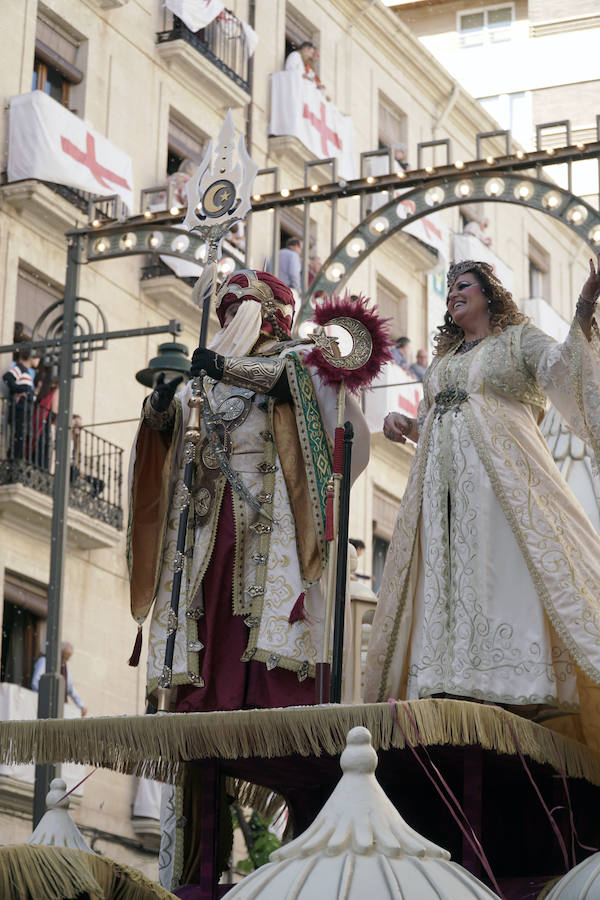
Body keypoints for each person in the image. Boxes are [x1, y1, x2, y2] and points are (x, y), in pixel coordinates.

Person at [364, 257, 600, 748]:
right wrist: (408, 427)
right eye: (449, 287)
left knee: (497, 572)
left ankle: (509, 683)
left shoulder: (516, 340)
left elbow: (562, 367)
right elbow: (433, 422)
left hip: (502, 491)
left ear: (489, 294)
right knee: (445, 575)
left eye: (463, 285)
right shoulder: (444, 362)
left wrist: (584, 305)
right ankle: (449, 678)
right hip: (441, 495)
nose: (453, 292)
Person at [128, 269, 370, 712]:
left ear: (271, 314)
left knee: (261, 613)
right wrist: (160, 411)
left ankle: (267, 702)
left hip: (274, 514)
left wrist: (225, 367)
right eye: (227, 310)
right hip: (207, 518)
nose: (231, 316)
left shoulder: (301, 357)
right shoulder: (203, 376)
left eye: (242, 307)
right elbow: (174, 435)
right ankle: (206, 701)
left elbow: (293, 385)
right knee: (210, 610)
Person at [31, 641, 87, 715]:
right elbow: (35, 683)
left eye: (67, 659)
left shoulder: (65, 669)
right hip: (43, 705)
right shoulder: (44, 661)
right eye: (63, 657)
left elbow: (70, 689)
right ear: (58, 653)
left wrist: (81, 705)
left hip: (57, 708)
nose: (64, 661)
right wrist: (44, 697)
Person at [2, 336, 36, 461]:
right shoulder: (20, 368)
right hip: (19, 409)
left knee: (21, 435)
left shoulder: (26, 371)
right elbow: (7, 377)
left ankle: (17, 459)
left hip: (24, 410)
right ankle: (15, 460)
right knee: (18, 435)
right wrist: (19, 390)